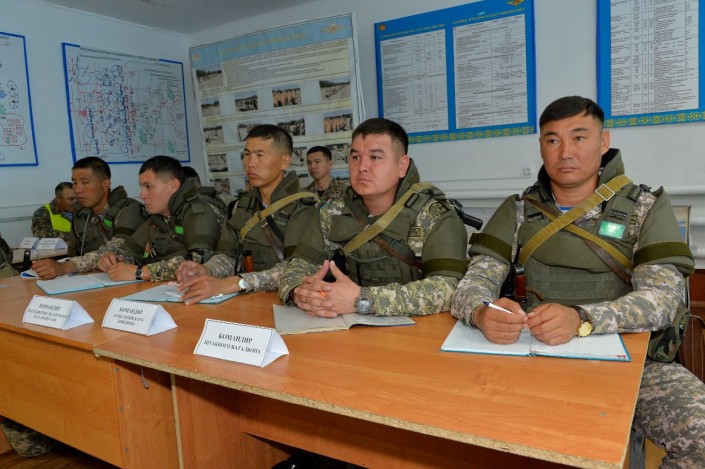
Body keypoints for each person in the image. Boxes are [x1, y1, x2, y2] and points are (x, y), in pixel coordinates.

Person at [450, 96, 705, 467]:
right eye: (553, 140)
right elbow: (470, 285)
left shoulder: (645, 207)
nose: (565, 152)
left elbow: (661, 301)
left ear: (604, 142)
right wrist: (481, 312)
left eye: (579, 137)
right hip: (529, 355)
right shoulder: (518, 211)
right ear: (541, 146)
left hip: (631, 362)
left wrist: (583, 319)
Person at [278, 117, 468, 317]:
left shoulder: (433, 214)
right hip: (348, 327)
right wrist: (300, 293)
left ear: (402, 166)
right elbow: (297, 266)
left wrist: (364, 300)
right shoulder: (333, 210)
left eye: (375, 157)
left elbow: (450, 288)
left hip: (420, 330)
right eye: (355, 157)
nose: (362, 167)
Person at [176, 125, 318, 303]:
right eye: (247, 154)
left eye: (260, 155)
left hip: (286, 303)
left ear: (284, 162)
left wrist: (237, 283)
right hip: (245, 301)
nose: (251, 163)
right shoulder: (240, 206)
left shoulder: (304, 208)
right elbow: (228, 256)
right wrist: (206, 270)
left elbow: (298, 269)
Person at [91, 155, 222, 281]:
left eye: (148, 187)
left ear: (173, 185)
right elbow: (131, 251)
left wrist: (140, 272)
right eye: (141, 187)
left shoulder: (199, 209)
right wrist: (114, 259)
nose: (142, 195)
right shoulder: (158, 216)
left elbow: (197, 262)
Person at [32, 157, 147, 279]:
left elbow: (117, 249)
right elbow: (73, 253)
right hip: (90, 280)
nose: (77, 189)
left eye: (85, 182)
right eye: (75, 182)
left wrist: (65, 267)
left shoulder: (130, 209)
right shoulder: (81, 215)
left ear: (105, 185)